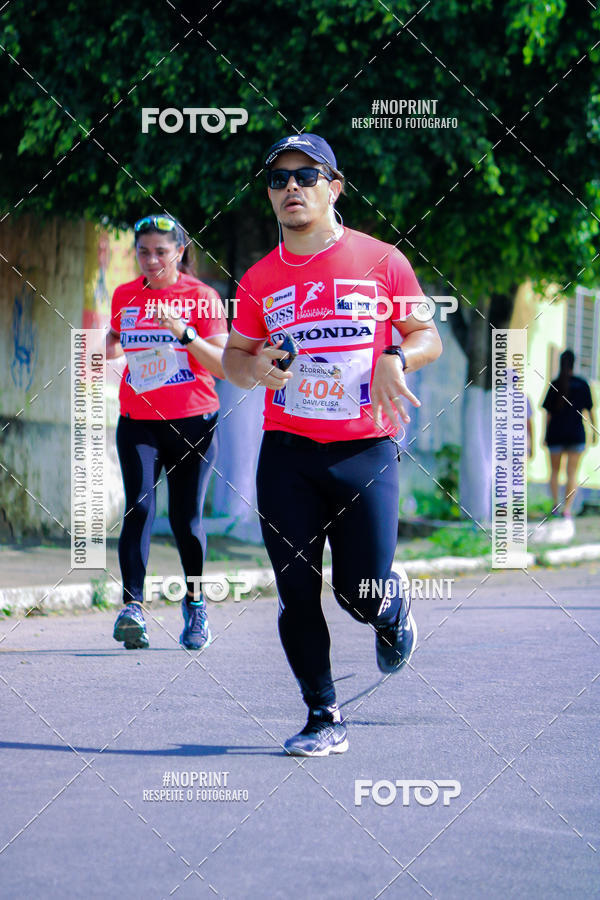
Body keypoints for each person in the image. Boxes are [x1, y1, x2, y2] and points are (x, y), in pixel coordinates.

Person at [223, 134, 442, 756]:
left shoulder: (383, 260)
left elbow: (427, 336)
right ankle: (323, 716)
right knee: (296, 590)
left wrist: (396, 356)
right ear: (269, 194)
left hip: (364, 451)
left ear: (334, 188)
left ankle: (389, 609)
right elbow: (236, 360)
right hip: (287, 454)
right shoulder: (260, 279)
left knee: (356, 592)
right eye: (278, 178)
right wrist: (254, 365)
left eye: (306, 175)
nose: (291, 187)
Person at [106, 215, 227, 650]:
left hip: (194, 422)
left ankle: (195, 606)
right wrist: (103, 347)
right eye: (143, 251)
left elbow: (221, 364)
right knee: (138, 508)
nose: (152, 260)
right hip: (138, 421)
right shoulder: (125, 294)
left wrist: (182, 331)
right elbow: (115, 336)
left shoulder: (203, 297)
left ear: (180, 251)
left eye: (161, 251)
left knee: (185, 519)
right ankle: (132, 608)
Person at [542, 349, 597, 517]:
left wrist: (545, 435)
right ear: (574, 363)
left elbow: (548, 414)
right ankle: (567, 510)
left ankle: (555, 506)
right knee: (572, 473)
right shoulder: (582, 384)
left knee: (554, 472)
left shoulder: (555, 383)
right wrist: (594, 431)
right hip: (576, 434)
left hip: (556, 434)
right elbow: (590, 411)